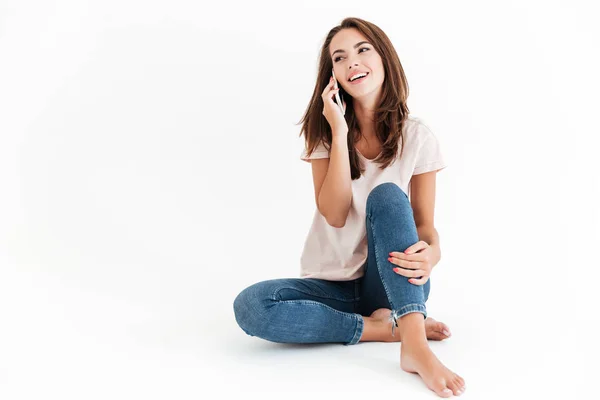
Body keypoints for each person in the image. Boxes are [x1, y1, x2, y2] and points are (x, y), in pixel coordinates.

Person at [233, 17, 466, 398]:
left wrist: (434, 253)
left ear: (384, 58)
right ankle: (383, 330)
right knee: (252, 306)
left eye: (362, 50)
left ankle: (415, 347)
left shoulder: (418, 136)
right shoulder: (325, 134)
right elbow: (336, 214)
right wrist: (339, 134)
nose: (352, 62)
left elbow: (425, 227)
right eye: (339, 58)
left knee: (389, 195)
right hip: (333, 283)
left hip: (393, 283)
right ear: (333, 76)